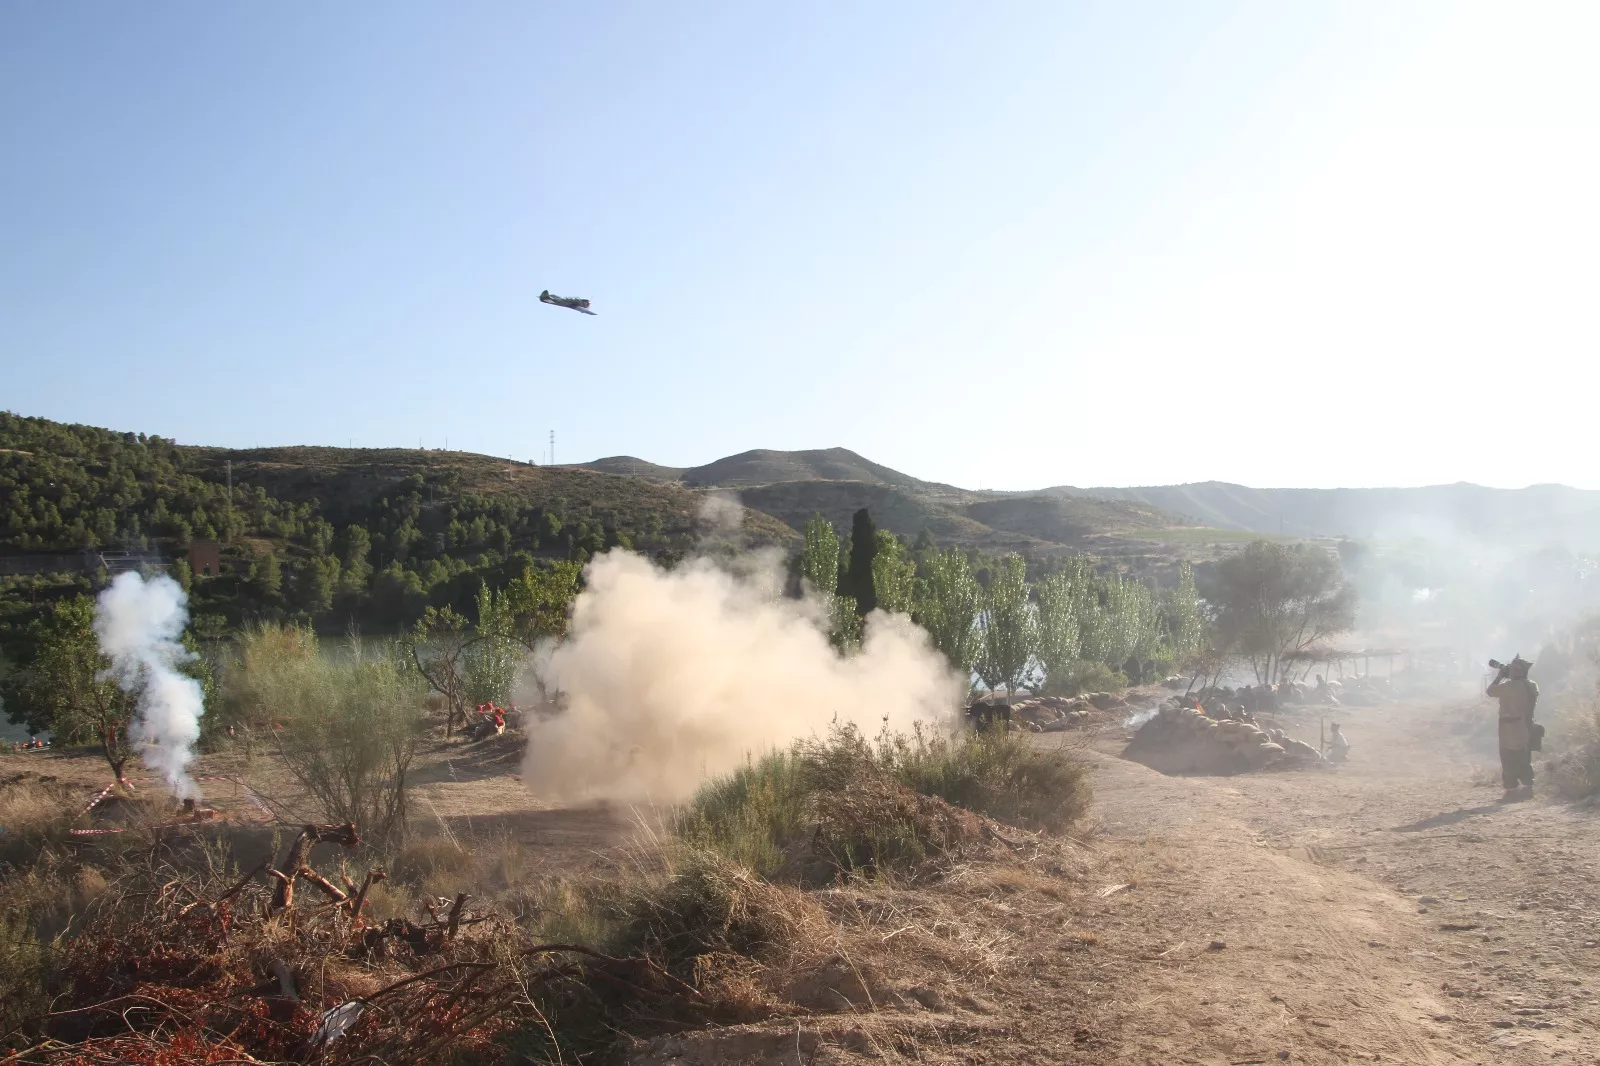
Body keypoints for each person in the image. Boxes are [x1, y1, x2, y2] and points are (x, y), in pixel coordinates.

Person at [1487, 655, 1538, 798]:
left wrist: (1499, 677)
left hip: (1509, 727)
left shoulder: (1510, 686)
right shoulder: (1531, 685)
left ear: (1517, 671)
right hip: (1525, 725)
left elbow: (1490, 691)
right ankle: (1528, 788)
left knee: (1508, 758)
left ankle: (1511, 789)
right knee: (1524, 757)